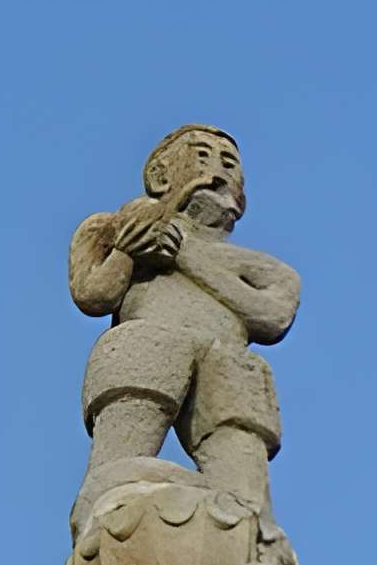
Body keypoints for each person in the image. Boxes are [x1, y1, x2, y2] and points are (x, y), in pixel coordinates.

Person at [68, 126, 300, 517]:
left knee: (247, 508)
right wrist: (126, 250)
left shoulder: (262, 269)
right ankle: (105, 514)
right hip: (150, 345)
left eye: (229, 164)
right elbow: (94, 295)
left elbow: (272, 315)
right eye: (203, 158)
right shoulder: (119, 230)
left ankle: (244, 536)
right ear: (161, 176)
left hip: (227, 362)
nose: (218, 172)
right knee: (114, 481)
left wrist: (184, 254)